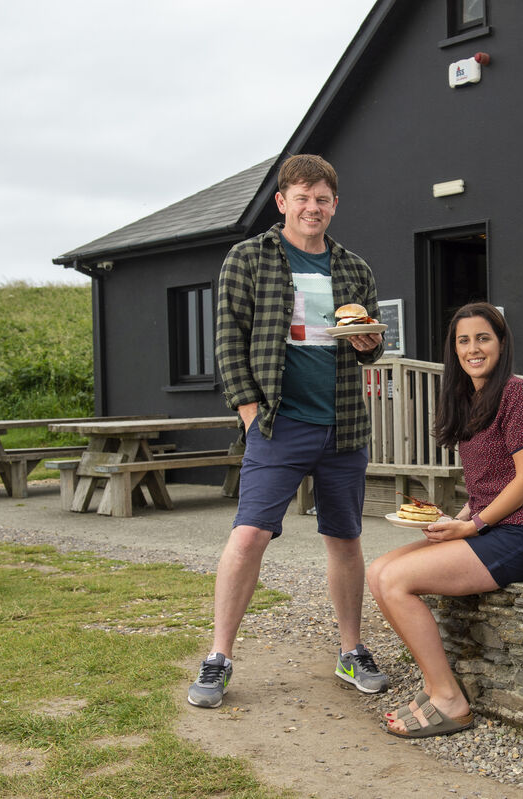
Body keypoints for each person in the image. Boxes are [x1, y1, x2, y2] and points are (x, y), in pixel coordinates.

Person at [189, 154, 388, 708]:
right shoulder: (249, 259)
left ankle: (351, 651)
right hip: (279, 422)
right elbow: (229, 340)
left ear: (334, 205)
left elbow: (368, 348)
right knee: (249, 534)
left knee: (345, 538)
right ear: (282, 202)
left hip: (343, 424)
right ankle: (218, 657)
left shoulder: (355, 269)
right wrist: (251, 416)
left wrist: (370, 345)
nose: (312, 207)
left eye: (322, 199)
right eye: (302, 197)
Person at [367, 302, 523, 738]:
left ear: (501, 343)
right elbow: (487, 486)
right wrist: (452, 520)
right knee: (379, 571)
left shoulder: (519, 394)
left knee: (397, 580)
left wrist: (472, 527)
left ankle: (450, 700)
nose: (473, 348)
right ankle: (434, 684)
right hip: (496, 524)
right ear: (453, 349)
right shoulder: (470, 400)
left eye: (483, 338)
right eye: (463, 340)